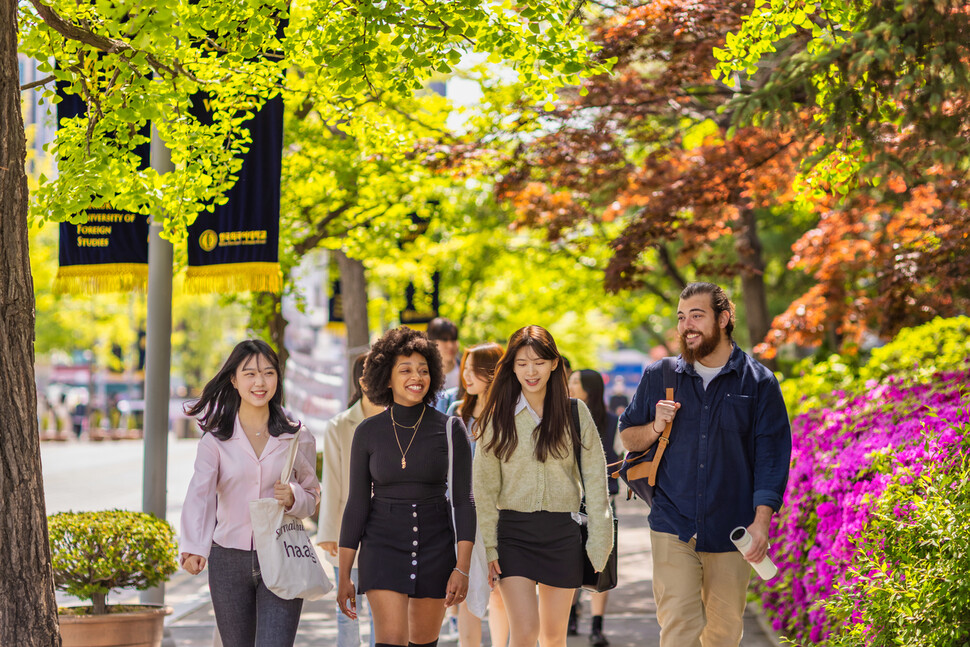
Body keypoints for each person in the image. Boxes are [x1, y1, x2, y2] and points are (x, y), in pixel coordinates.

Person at [618, 282, 792, 647]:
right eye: (682, 318)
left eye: (697, 315)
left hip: (732, 529)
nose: (687, 326)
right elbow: (628, 438)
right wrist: (655, 426)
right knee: (679, 627)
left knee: (723, 634)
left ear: (724, 318)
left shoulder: (759, 383)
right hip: (672, 522)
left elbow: (771, 457)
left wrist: (761, 524)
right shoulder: (660, 376)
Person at [474, 325, 613, 647]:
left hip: (561, 535)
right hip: (513, 535)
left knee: (553, 637)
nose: (530, 371)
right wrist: (490, 547)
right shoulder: (497, 418)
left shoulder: (575, 413)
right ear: (512, 367)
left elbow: (595, 480)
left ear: (554, 363)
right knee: (523, 634)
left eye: (538, 362)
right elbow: (483, 489)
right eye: (521, 363)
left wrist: (599, 542)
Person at [337, 326, 476, 647]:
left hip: (437, 547)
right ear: (386, 377)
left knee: (424, 642)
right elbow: (357, 503)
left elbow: (463, 501)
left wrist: (463, 568)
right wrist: (345, 574)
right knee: (390, 640)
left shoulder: (450, 428)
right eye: (406, 370)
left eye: (424, 370)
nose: (417, 376)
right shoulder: (367, 432)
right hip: (382, 547)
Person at [179, 339, 320, 647]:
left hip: (282, 554)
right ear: (234, 379)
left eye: (268, 373)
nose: (260, 382)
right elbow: (200, 496)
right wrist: (193, 547)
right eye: (250, 374)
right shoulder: (215, 441)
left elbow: (312, 494)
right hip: (228, 561)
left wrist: (295, 496)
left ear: (277, 378)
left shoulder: (296, 435)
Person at [446, 343, 509, 647]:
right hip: (463, 515)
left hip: (499, 517)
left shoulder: (510, 415)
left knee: (499, 596)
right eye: (465, 370)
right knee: (466, 592)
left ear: (492, 373)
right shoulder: (456, 413)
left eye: (473, 370)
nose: (466, 376)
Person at [317, 353, 381, 647]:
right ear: (362, 380)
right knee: (348, 609)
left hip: (387, 529)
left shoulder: (398, 418)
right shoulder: (339, 425)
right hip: (348, 529)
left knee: (383, 609)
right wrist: (329, 532)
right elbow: (331, 481)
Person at [566, 369, 620, 646]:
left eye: (575, 382)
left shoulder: (613, 422)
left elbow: (624, 457)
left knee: (602, 564)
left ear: (590, 389)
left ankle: (597, 626)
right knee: (572, 563)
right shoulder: (565, 418)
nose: (570, 386)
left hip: (603, 503)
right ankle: (572, 614)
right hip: (572, 503)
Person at [428, 317, 461, 413]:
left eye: (453, 339)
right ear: (432, 342)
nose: (450, 345)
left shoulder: (465, 372)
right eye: (444, 340)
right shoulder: (423, 375)